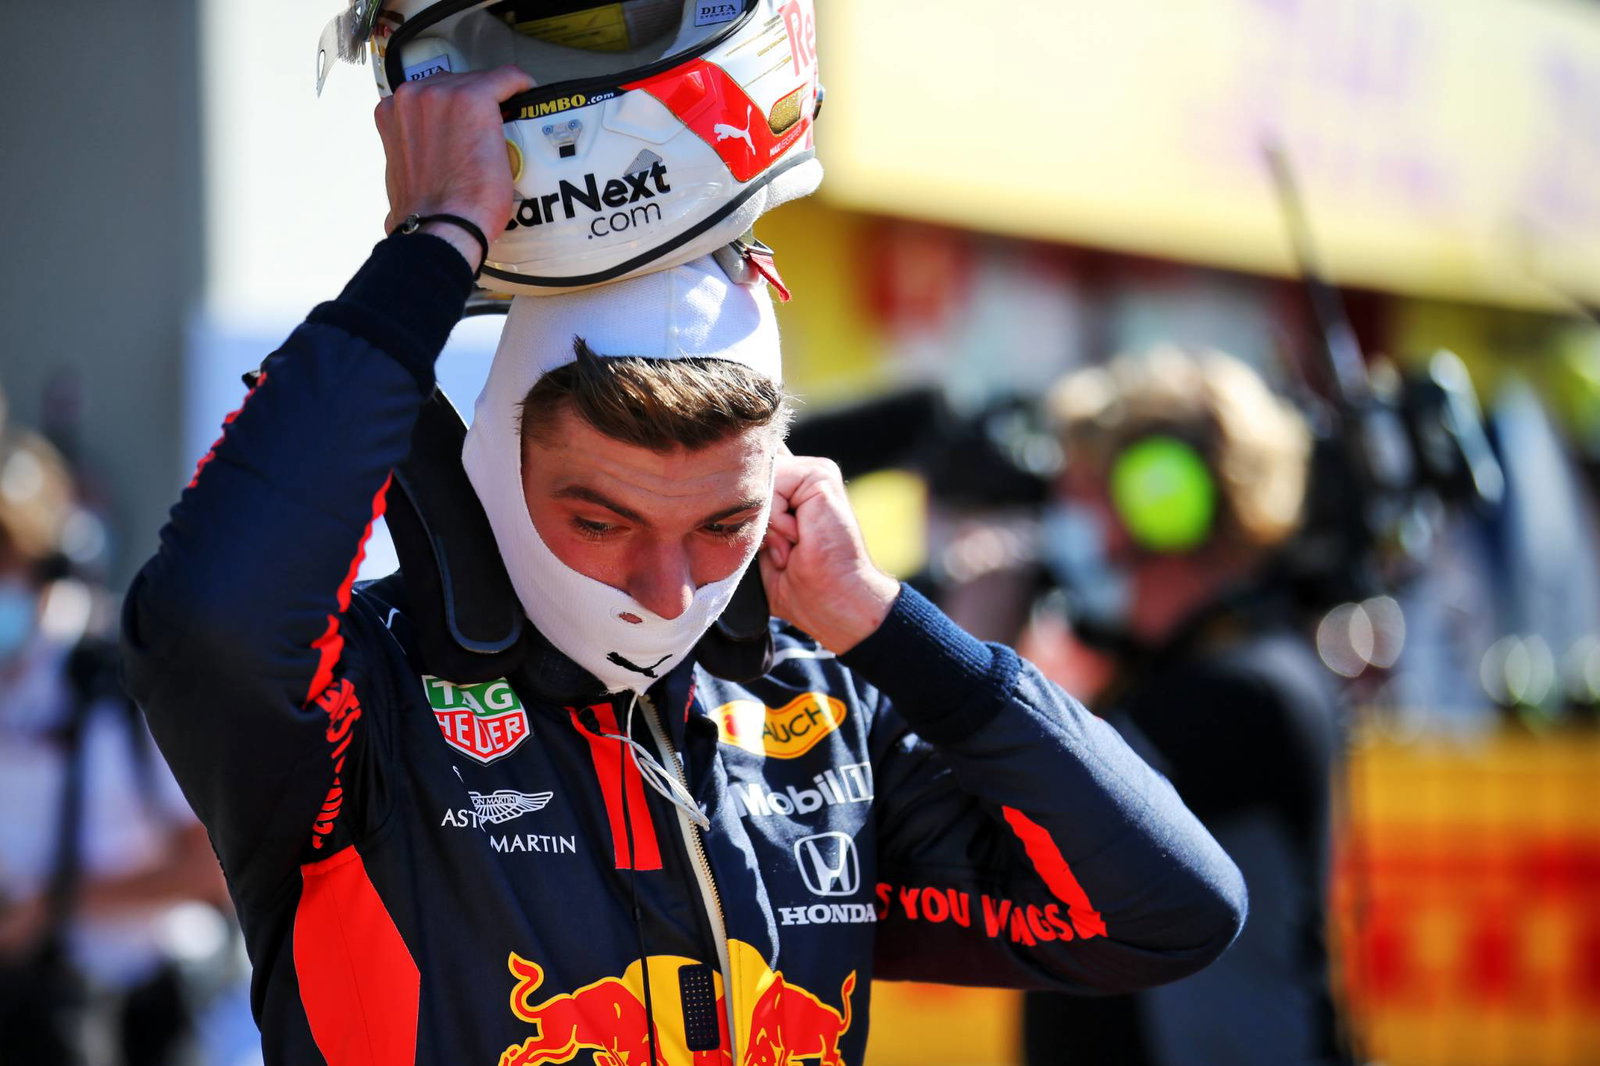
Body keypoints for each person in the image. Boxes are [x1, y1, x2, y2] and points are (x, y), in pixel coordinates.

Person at [121, 70, 1246, 1066]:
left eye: (722, 524)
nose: (665, 592)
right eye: (601, 521)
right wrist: (433, 241)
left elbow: (1172, 910)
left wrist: (888, 626)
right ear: (496, 479)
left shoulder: (823, 707)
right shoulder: (367, 703)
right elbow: (207, 621)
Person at [1021, 347, 1352, 1066]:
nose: (1063, 517)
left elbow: (1010, 821)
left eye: (1082, 487)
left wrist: (972, 642)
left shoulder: (1236, 695)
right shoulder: (1214, 671)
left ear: (1160, 497)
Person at [0, 423, 230, 1066]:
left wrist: (52, 906)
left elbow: (214, 870)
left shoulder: (134, 681)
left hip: (138, 1021)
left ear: (52, 560)